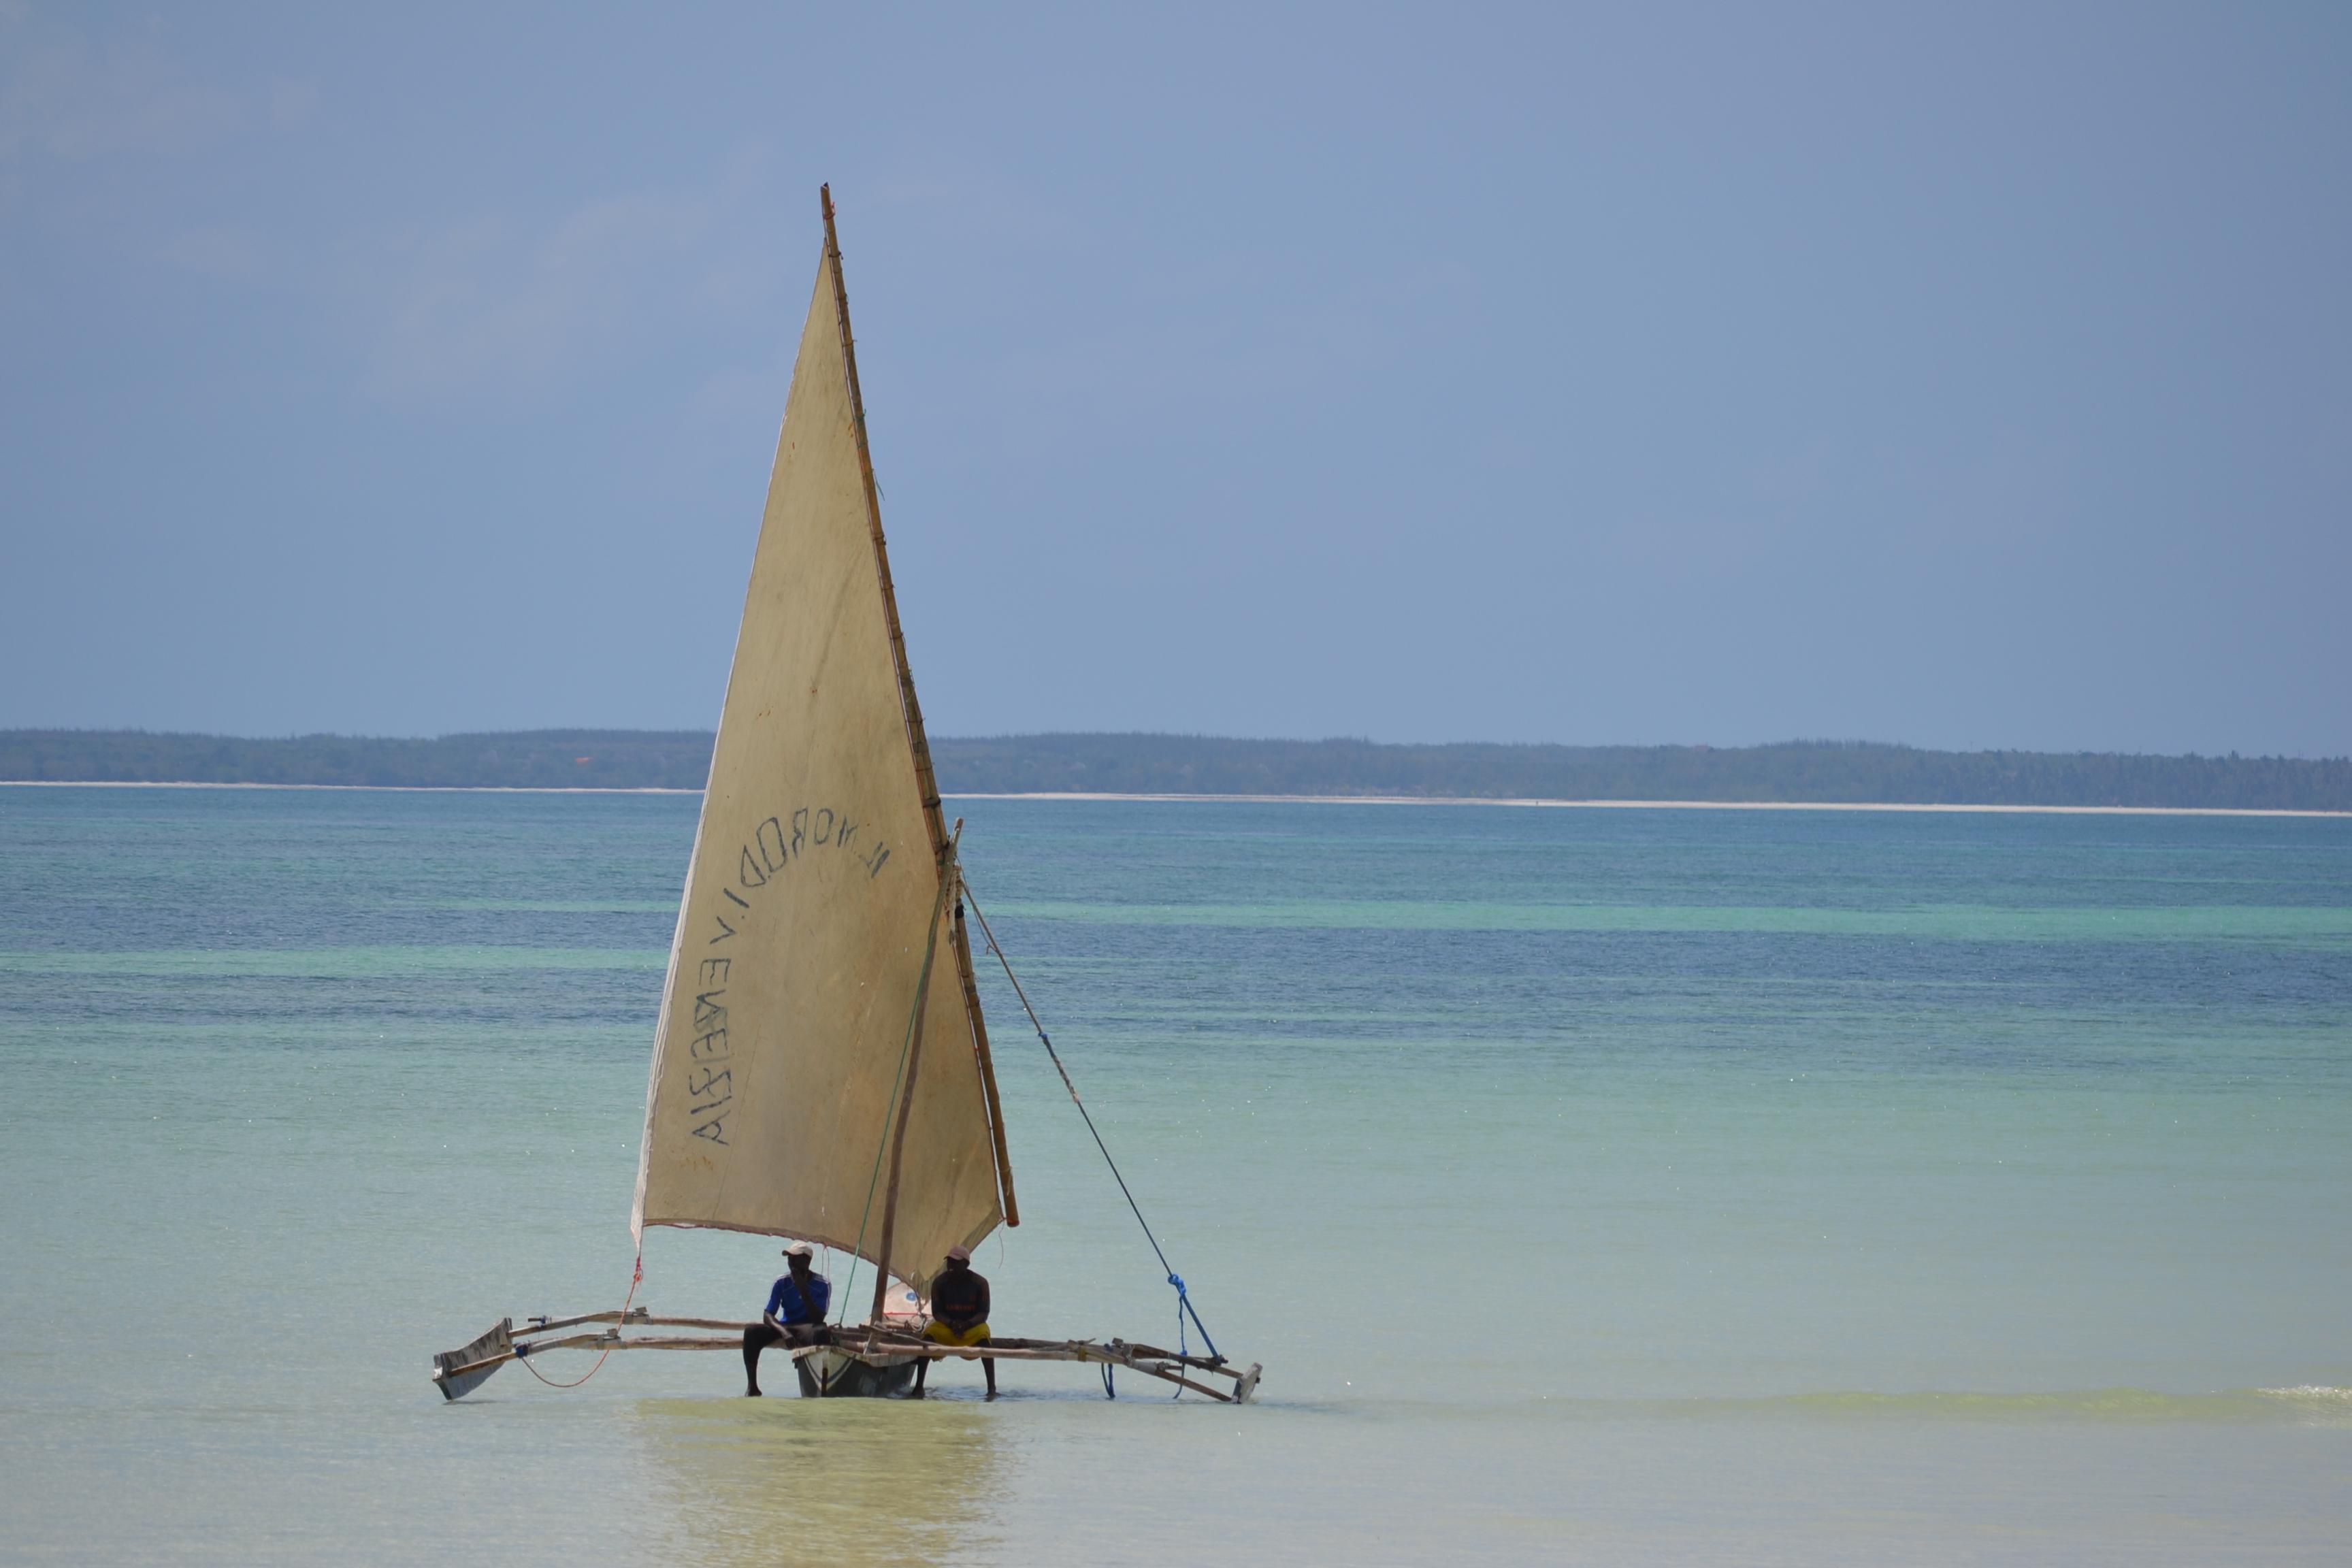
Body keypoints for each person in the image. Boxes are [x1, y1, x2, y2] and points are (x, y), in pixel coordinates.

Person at [742, 1240, 831, 1396]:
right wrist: (784, 1332)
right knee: (751, 1332)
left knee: (822, 1333)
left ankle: (814, 1383)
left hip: (809, 1327)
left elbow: (819, 1318)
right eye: (789, 1258)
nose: (791, 1263)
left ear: (807, 1261)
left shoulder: (822, 1284)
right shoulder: (781, 1282)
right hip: (787, 1326)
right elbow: (768, 1315)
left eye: (795, 1259)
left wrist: (803, 1289)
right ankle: (752, 1387)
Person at [914, 1243, 995, 1399]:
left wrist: (967, 1324)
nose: (951, 1266)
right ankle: (919, 1387)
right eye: (949, 1262)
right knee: (928, 1335)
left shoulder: (980, 1284)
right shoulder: (939, 1283)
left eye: (956, 1262)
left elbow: (984, 1313)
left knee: (985, 1337)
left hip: (971, 1327)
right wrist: (951, 1324)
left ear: (966, 1264)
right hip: (947, 1327)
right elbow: (937, 1313)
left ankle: (991, 1389)